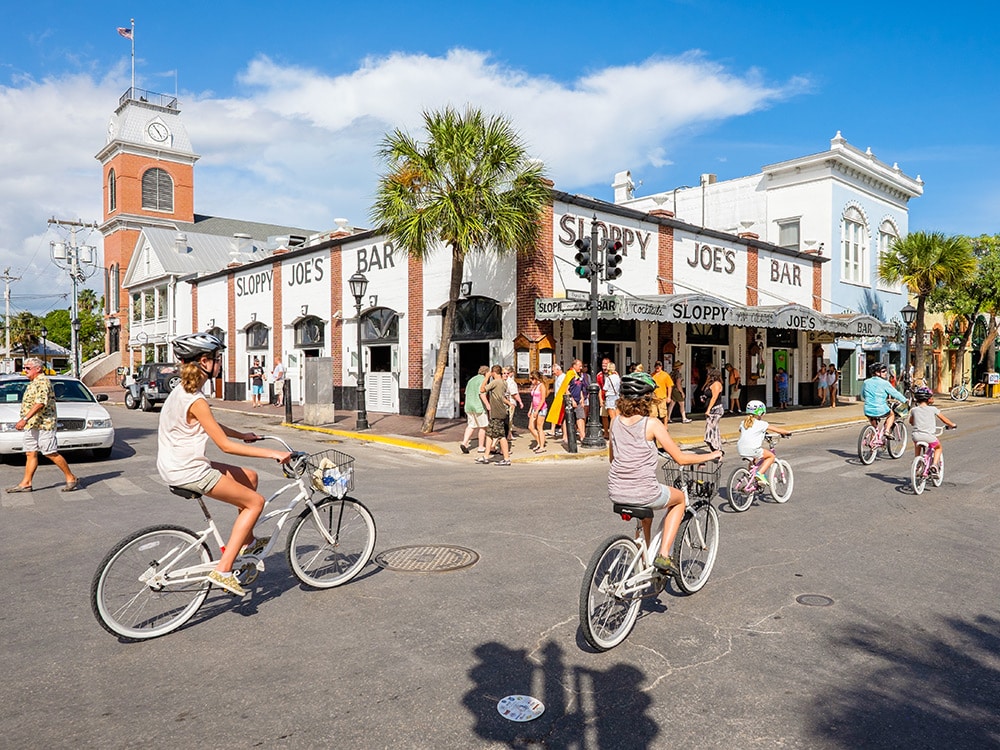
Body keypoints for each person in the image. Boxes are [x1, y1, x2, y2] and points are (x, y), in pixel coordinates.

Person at [156, 333, 291, 596]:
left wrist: (244, 435)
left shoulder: (184, 391)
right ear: (204, 361)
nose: (220, 364)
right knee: (256, 502)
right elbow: (225, 447)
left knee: (250, 478)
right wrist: (272, 453)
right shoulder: (195, 399)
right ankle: (224, 569)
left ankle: (247, 542)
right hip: (188, 470)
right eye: (217, 359)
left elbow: (211, 425)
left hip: (178, 464)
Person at [608, 372, 723, 574]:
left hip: (616, 491)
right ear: (647, 399)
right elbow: (681, 458)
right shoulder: (652, 424)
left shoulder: (615, 422)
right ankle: (664, 555)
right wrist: (710, 455)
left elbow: (612, 458)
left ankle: (644, 553)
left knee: (646, 512)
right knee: (678, 500)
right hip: (644, 492)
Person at [6, 357, 80, 493]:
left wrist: (25, 419)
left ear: (38, 368)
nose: (25, 371)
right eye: (24, 368)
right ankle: (26, 483)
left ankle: (71, 477)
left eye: (27, 368)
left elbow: (40, 403)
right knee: (30, 453)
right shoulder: (33, 382)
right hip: (33, 425)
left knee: (50, 452)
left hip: (44, 424)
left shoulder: (43, 382)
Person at [736, 400, 791, 485]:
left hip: (740, 449)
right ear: (761, 413)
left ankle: (750, 477)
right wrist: (787, 432)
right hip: (753, 449)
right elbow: (777, 430)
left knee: (753, 460)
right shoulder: (762, 424)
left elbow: (743, 431)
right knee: (771, 456)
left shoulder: (743, 422)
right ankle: (760, 474)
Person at [908, 386, 956, 470]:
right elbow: (945, 420)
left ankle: (917, 462)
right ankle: (934, 465)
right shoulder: (933, 409)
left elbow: (911, 422)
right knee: (938, 447)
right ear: (929, 399)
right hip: (929, 436)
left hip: (916, 436)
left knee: (917, 444)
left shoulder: (914, 410)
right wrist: (952, 425)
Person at [479, 365, 511, 466]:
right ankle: (486, 456)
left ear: (493, 373)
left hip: (497, 412)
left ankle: (506, 459)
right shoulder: (503, 382)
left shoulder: (495, 382)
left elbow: (482, 389)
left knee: (501, 435)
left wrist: (486, 377)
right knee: (489, 434)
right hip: (498, 411)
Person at [862, 361, 907, 434]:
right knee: (891, 414)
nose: (886, 373)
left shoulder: (866, 382)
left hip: (868, 409)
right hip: (880, 409)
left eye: (886, 371)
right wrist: (905, 400)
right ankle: (886, 431)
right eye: (883, 371)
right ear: (877, 373)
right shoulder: (885, 383)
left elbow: (863, 395)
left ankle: (873, 437)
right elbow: (895, 393)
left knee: (874, 426)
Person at [459, 366, 489, 455]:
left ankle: (464, 442)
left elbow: (466, 393)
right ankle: (481, 447)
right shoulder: (483, 380)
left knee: (471, 425)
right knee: (483, 426)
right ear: (486, 373)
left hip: (468, 406)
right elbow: (482, 394)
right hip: (478, 406)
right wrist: (488, 405)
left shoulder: (471, 380)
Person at [702, 366, 725, 451]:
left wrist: (708, 409)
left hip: (716, 409)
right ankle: (715, 449)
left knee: (712, 429)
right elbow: (706, 393)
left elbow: (714, 397)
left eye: (709, 375)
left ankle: (718, 449)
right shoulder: (711, 384)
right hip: (712, 409)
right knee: (711, 430)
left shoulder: (716, 384)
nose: (707, 376)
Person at [526, 370, 549, 453]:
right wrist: (530, 409)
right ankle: (539, 441)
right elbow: (533, 399)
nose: (531, 380)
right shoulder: (534, 386)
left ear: (536, 378)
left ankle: (542, 446)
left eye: (532, 378)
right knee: (530, 427)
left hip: (541, 409)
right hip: (534, 408)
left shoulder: (541, 386)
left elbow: (542, 399)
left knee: (539, 427)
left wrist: (537, 410)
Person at [566, 358, 588, 442]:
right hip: (572, 400)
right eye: (579, 366)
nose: (581, 368)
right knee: (569, 419)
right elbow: (567, 389)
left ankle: (583, 435)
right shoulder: (570, 374)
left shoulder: (578, 376)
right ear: (574, 366)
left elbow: (581, 388)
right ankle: (566, 436)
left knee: (581, 417)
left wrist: (582, 398)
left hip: (579, 400)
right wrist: (572, 399)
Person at [545, 362, 566, 438]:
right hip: (557, 398)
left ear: (558, 370)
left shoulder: (563, 377)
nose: (553, 373)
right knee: (555, 414)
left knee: (561, 416)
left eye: (553, 371)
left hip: (561, 399)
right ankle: (553, 430)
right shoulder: (558, 377)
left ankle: (557, 430)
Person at [503, 366, 523, 442]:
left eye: (506, 373)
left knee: (508, 419)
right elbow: (514, 394)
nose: (505, 375)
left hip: (504, 402)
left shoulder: (503, 381)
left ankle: (509, 434)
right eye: (504, 373)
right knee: (509, 419)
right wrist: (520, 402)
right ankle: (508, 434)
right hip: (510, 402)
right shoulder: (511, 382)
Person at [602, 362, 621, 438]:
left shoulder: (608, 378)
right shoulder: (618, 377)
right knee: (617, 417)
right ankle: (619, 433)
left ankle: (612, 434)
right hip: (617, 396)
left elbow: (605, 388)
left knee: (612, 418)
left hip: (610, 397)